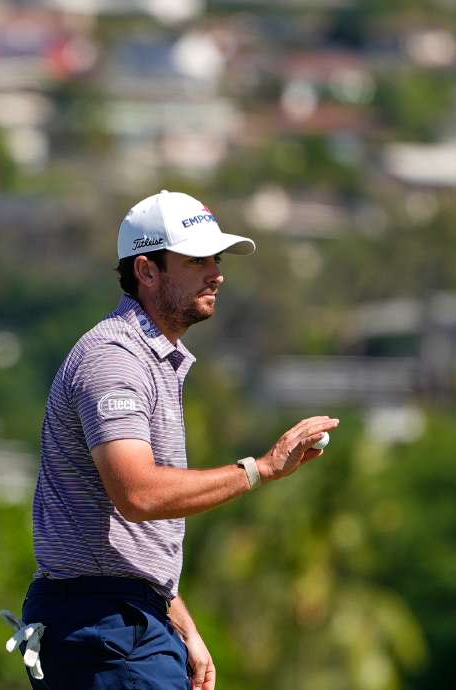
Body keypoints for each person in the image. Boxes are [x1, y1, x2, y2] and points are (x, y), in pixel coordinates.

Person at [19, 190, 339, 690]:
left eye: (216, 258)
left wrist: (180, 622)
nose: (217, 273)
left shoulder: (152, 359)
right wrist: (261, 468)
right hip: (105, 626)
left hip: (128, 619)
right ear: (146, 271)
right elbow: (140, 495)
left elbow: (132, 544)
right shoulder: (115, 360)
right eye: (197, 260)